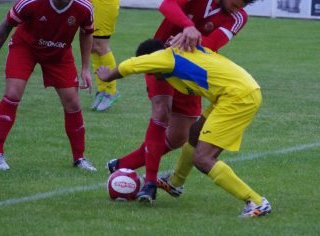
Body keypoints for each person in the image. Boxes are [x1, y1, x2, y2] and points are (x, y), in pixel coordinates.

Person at [106, 0, 260, 200]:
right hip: (159, 58)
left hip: (190, 71)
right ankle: (149, 183)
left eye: (240, 7)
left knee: (180, 136)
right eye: (234, 4)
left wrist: (189, 42)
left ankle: (121, 165)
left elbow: (211, 45)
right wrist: (188, 26)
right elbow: (167, 4)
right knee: (161, 110)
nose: (235, 10)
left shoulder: (238, 17)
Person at [97, 38, 272, 217]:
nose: (150, 76)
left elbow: (130, 65)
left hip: (238, 97)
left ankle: (256, 202)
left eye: (149, 71)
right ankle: (175, 183)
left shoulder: (164, 57)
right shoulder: (178, 54)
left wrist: (107, 77)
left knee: (203, 159)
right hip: (232, 93)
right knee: (194, 132)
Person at [0, 0, 97, 172]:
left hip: (59, 52)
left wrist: (85, 68)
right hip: (26, 48)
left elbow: (87, 32)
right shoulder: (32, 0)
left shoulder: (84, 6)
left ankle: (79, 158)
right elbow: (6, 25)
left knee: (73, 102)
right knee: (13, 94)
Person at [86, 0, 131, 111]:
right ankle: (102, 89)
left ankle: (111, 91)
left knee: (101, 45)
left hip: (104, 1)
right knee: (92, 46)